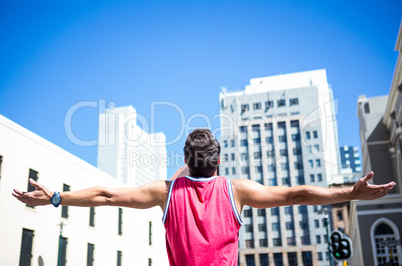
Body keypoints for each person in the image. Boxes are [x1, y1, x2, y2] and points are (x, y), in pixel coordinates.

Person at [13, 128, 395, 265]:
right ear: (219, 161)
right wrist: (351, 192)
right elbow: (298, 193)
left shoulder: (166, 192)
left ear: (184, 160)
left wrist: (56, 199)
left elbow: (107, 194)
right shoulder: (236, 190)